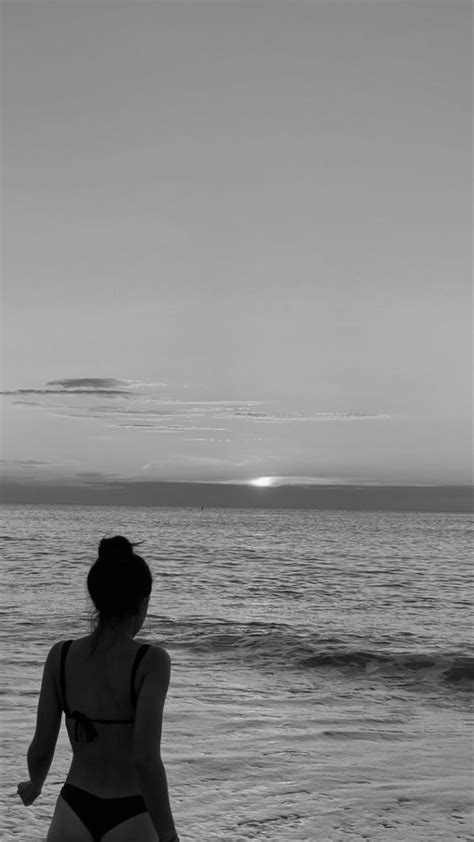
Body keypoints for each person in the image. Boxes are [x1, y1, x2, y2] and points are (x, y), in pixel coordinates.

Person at [17, 535, 179, 842]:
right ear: (142, 603)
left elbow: (42, 744)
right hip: (132, 812)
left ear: (97, 599)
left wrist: (35, 784)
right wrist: (168, 834)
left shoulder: (60, 656)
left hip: (73, 809)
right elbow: (145, 759)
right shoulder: (151, 662)